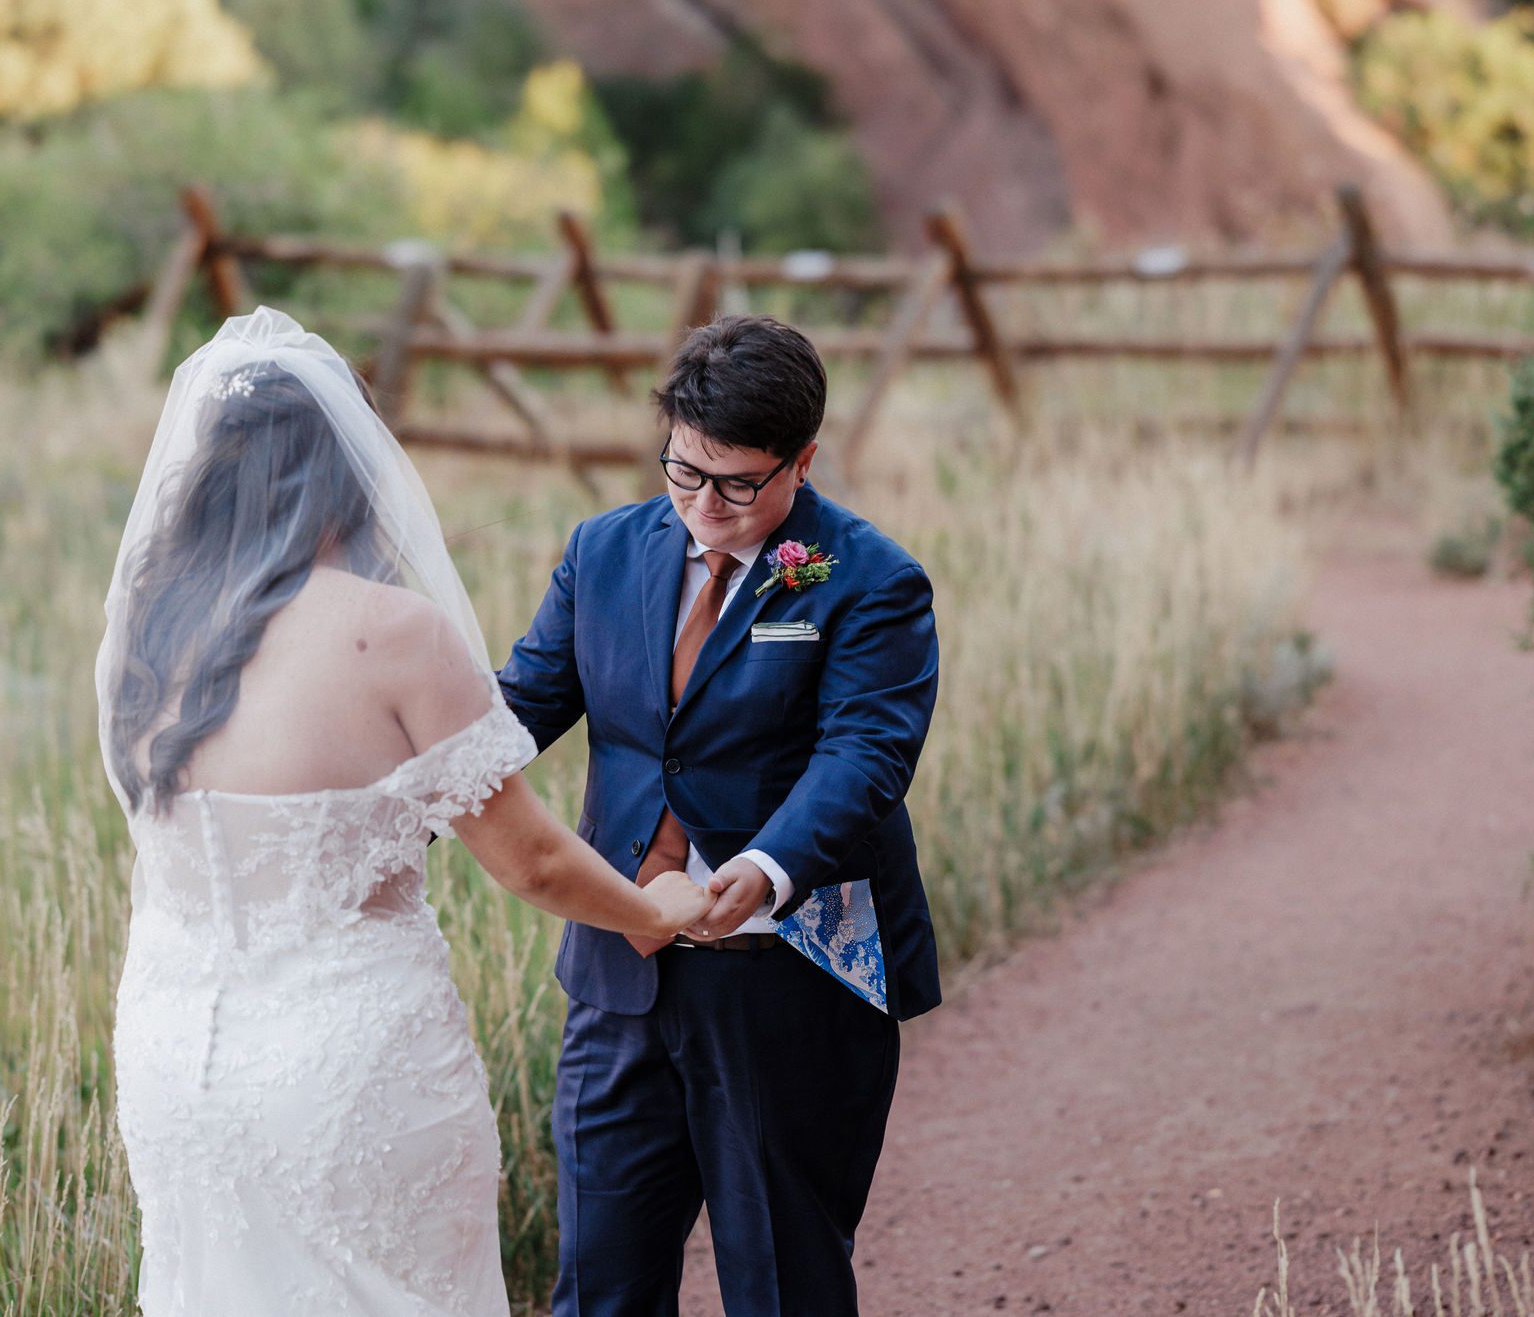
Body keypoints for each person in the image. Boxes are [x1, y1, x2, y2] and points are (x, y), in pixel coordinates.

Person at [97, 307, 710, 1316]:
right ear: (350, 471)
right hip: (347, 1063)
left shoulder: (150, 629)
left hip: (171, 1058)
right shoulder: (392, 634)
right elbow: (530, 863)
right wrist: (655, 912)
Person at [498, 313, 943, 1316]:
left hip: (783, 977)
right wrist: (398, 771)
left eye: (738, 484)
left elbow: (864, 753)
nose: (705, 507)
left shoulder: (867, 579)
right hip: (621, 973)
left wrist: (771, 864)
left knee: (780, 1284)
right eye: (683, 474)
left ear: (801, 462)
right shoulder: (602, 551)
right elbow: (522, 705)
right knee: (599, 1287)